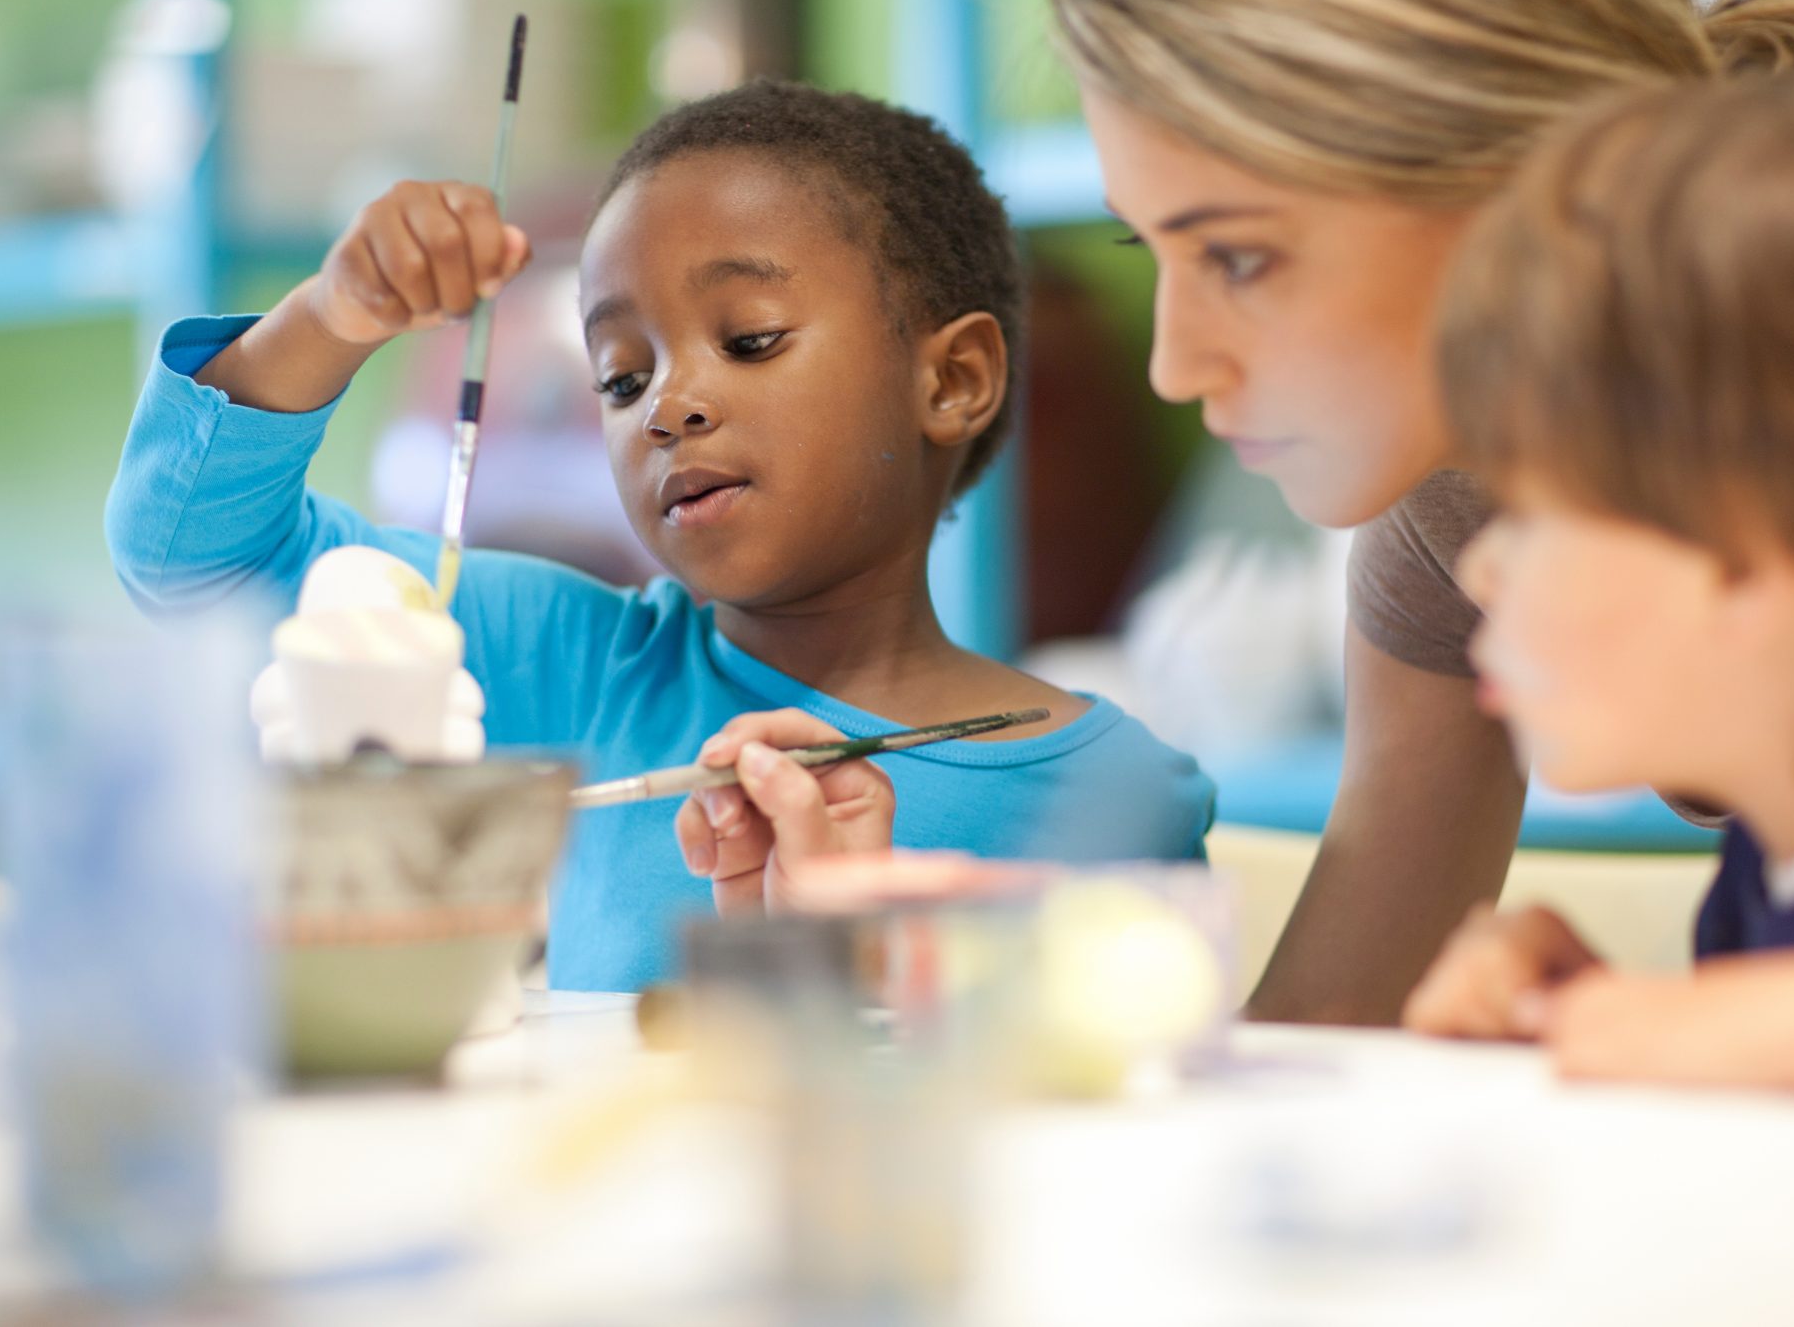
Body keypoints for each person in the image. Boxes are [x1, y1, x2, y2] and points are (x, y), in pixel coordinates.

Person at [690, 0, 1794, 1025]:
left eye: (1235, 255)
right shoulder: (1442, 518)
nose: (1172, 366)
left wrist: (1657, 1029)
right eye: (1148, 252)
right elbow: (1336, 1037)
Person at [103, 80, 1214, 992]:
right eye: (620, 376)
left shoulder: (1113, 793)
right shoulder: (573, 665)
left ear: (951, 379)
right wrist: (332, 316)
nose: (665, 407)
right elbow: (201, 561)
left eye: (750, 338)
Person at [1404, 75, 1794, 1100]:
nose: (1477, 568)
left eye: (1532, 511)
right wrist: (1582, 1006)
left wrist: (1695, 1026)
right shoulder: (1771, 866)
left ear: (1763, 553)